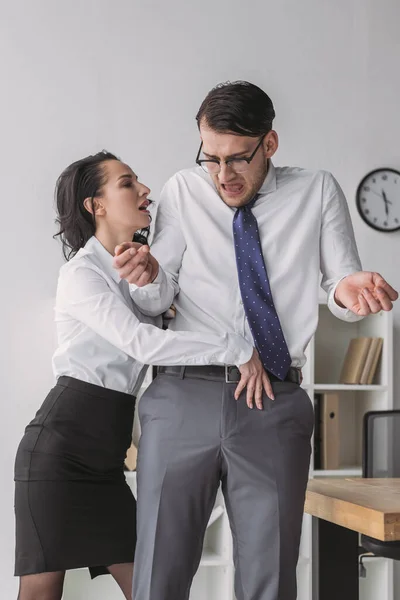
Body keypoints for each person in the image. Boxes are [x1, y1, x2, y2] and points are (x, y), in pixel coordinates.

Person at [113, 81, 398, 600]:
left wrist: (349, 292)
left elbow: (340, 286)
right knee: (159, 576)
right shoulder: (182, 190)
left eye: (238, 158)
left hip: (274, 402)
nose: (223, 175)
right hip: (183, 395)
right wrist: (148, 276)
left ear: (270, 144)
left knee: (269, 579)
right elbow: (157, 303)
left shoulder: (316, 190)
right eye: (211, 158)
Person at [13, 150, 257, 600]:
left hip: (105, 461)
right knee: (40, 595)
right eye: (127, 183)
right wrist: (236, 349)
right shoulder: (81, 275)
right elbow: (143, 344)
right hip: (59, 453)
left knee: (150, 589)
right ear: (96, 205)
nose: (146, 190)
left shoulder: (142, 273)